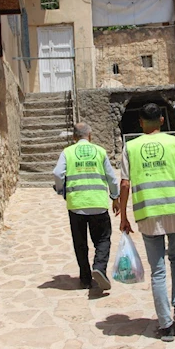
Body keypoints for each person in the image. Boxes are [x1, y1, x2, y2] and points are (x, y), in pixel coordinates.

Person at [118, 103, 175, 342]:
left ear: (140, 123)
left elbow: (125, 184)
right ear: (161, 120)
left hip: (147, 213)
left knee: (157, 270)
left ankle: (166, 325)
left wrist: (124, 216)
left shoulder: (130, 147)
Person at [53, 123, 120, 291]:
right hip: (98, 203)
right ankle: (99, 267)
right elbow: (111, 178)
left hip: (76, 204)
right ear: (90, 136)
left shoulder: (67, 152)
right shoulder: (100, 151)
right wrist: (115, 196)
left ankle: (85, 279)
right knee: (103, 239)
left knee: (80, 242)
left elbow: (57, 173)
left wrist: (61, 190)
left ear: (74, 137)